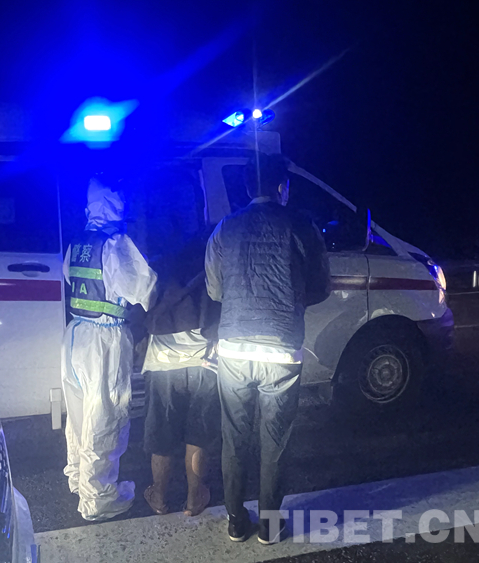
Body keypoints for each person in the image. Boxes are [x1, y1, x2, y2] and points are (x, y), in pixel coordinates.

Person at [205, 153, 331, 544]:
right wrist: (291, 301)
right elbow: (320, 287)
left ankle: (235, 520)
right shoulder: (302, 225)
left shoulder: (225, 228)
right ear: (282, 187)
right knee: (275, 441)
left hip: (234, 350)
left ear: (248, 187)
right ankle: (270, 526)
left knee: (234, 436)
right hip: (281, 350)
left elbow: (215, 290)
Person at [62, 177, 157, 521]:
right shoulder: (116, 244)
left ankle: (79, 478)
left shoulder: (78, 242)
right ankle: (99, 499)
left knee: (79, 415)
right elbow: (144, 290)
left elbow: (71, 279)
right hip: (105, 339)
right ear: (116, 204)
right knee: (105, 417)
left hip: (76, 335)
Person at [141, 228, 221, 517]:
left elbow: (141, 308)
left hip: (163, 363)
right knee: (198, 434)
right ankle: (193, 499)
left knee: (161, 435)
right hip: (205, 362)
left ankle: (159, 498)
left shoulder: (156, 267)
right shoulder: (212, 265)